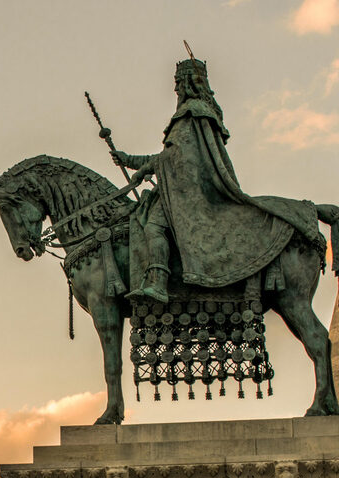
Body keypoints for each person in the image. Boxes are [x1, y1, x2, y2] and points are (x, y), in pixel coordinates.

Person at [112, 56, 326, 303]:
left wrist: (137, 165)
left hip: (188, 194)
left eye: (178, 83)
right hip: (188, 188)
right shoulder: (203, 113)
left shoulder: (189, 113)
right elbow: (174, 156)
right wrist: (132, 161)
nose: (175, 89)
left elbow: (175, 157)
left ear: (187, 83)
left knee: (153, 227)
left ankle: (158, 283)